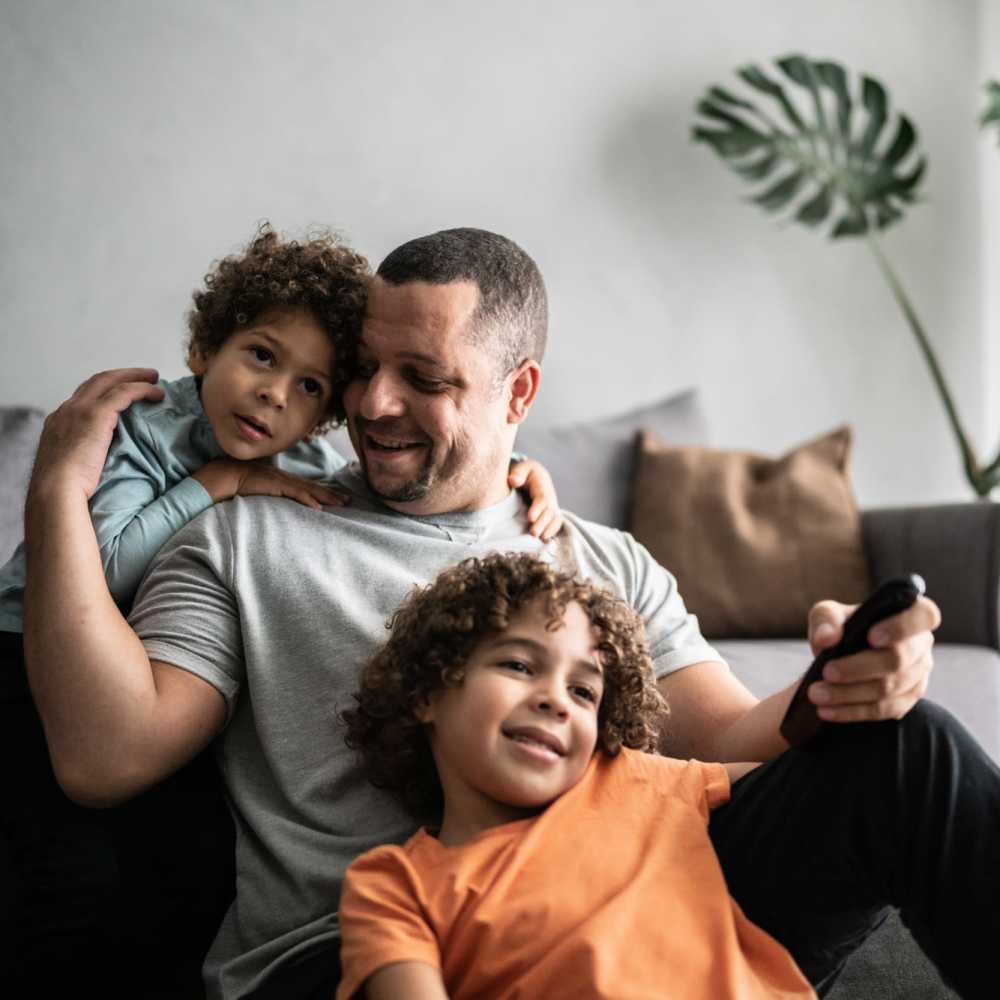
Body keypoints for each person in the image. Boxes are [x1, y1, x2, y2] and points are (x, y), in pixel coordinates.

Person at [19, 227, 992, 1000]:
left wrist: (842, 680)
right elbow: (105, 756)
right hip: (376, 949)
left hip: (631, 910)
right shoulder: (249, 533)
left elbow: (731, 739)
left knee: (910, 749)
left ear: (518, 390)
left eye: (425, 379)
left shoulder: (599, 557)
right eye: (361, 368)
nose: (373, 402)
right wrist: (60, 488)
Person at [0, 225, 560, 995]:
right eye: (262, 356)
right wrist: (193, 484)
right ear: (206, 346)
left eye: (313, 388)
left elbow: (435, 467)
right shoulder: (149, 435)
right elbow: (101, 567)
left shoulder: (296, 458)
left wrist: (519, 466)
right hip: (25, 659)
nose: (275, 395)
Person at [337, 551, 814, 999]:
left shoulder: (632, 777)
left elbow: (817, 781)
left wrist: (840, 671)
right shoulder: (394, 888)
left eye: (583, 691)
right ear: (427, 693)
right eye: (519, 665)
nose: (556, 700)